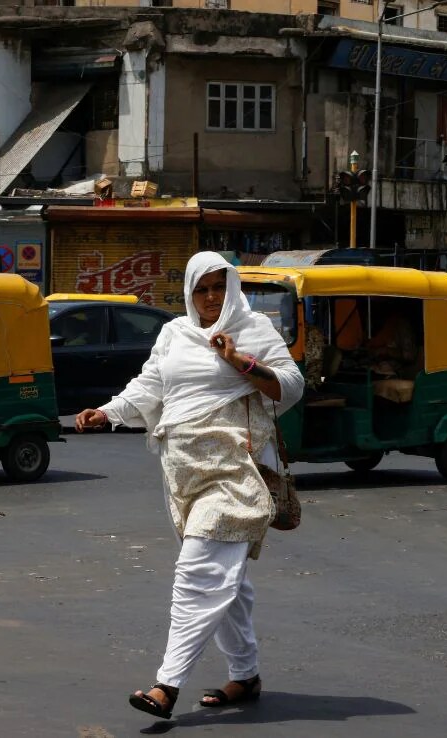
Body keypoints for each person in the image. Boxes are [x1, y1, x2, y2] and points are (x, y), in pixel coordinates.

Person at [74, 252, 303, 722]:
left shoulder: (254, 327)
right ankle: (246, 674)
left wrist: (240, 361)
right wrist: (109, 412)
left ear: (233, 288)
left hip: (236, 467)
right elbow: (150, 385)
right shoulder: (174, 333)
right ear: (189, 293)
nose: (211, 296)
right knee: (228, 578)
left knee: (198, 571)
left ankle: (167, 685)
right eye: (202, 288)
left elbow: (291, 385)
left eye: (220, 286)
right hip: (182, 469)